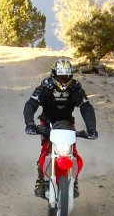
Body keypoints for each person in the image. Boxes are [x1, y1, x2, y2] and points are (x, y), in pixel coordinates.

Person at [24, 58, 98, 197]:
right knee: (46, 150)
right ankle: (41, 180)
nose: (63, 80)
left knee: (73, 153)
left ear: (71, 76)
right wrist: (30, 124)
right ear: (54, 75)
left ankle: (74, 180)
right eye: (60, 77)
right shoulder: (45, 88)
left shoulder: (75, 88)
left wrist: (91, 128)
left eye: (66, 77)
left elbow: (86, 107)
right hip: (47, 123)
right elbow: (31, 105)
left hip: (67, 125)